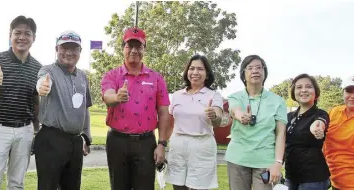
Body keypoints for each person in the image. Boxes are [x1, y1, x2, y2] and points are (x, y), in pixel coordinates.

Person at [100, 27, 170, 190]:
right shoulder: (112, 75)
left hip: (146, 143)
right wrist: (117, 97)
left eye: (138, 46)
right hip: (117, 141)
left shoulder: (156, 78)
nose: (133, 50)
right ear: (123, 48)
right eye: (129, 45)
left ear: (144, 49)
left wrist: (162, 144)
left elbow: (164, 113)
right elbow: (107, 96)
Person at [0, 15, 42, 190]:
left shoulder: (38, 67)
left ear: (33, 38)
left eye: (27, 34)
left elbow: (36, 102)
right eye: (17, 33)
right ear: (10, 35)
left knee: (17, 183)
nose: (22, 37)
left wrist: (36, 130)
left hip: (24, 130)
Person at [34, 30, 92, 190]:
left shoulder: (82, 76)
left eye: (74, 48)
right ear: (56, 49)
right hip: (51, 139)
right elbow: (42, 82)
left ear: (80, 51)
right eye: (64, 48)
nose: (69, 52)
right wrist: (42, 87)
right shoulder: (48, 71)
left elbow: (85, 108)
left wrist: (86, 137)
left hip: (74, 142)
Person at [226, 55, 287, 190]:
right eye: (250, 68)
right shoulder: (235, 97)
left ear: (264, 73)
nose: (255, 71)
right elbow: (234, 110)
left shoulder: (277, 101)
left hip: (265, 162)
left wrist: (278, 163)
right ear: (243, 73)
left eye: (259, 67)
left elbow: (281, 134)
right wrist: (241, 116)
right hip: (237, 159)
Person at [166, 55, 223, 190]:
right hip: (178, 146)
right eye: (192, 68)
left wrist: (214, 115)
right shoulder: (177, 95)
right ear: (187, 72)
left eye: (200, 69)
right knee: (178, 187)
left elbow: (217, 121)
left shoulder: (213, 95)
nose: (195, 72)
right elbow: (169, 122)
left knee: (199, 187)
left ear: (207, 74)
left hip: (202, 146)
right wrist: (162, 145)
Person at [284, 74, 330, 190]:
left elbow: (320, 123)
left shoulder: (320, 114)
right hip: (290, 176)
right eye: (299, 87)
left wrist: (318, 128)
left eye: (308, 87)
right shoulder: (288, 117)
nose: (303, 90)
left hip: (313, 179)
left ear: (316, 92)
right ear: (294, 92)